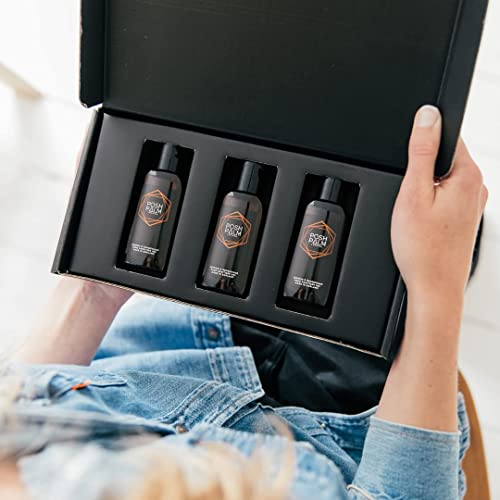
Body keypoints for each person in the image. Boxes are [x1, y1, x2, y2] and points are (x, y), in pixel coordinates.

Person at [0, 105, 487, 500]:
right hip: (341, 421)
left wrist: (93, 287)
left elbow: (19, 406)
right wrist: (435, 292)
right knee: (430, 211)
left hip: (172, 343)